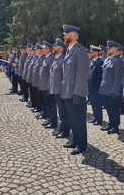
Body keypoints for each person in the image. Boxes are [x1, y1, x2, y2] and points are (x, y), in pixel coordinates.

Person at [61, 24, 89, 155]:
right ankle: (75, 139)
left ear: (72, 35)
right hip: (68, 92)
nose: (64, 36)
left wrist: (78, 93)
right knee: (72, 119)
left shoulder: (80, 50)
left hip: (76, 93)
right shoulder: (69, 50)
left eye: (65, 33)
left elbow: (82, 74)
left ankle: (82, 144)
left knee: (79, 120)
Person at [99, 40, 124, 134]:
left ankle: (115, 125)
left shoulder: (118, 61)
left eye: (109, 48)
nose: (107, 49)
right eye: (107, 48)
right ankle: (110, 123)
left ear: (115, 49)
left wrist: (114, 90)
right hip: (105, 89)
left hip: (112, 90)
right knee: (108, 108)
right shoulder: (107, 59)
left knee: (114, 109)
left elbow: (118, 78)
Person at [38, 41, 56, 128]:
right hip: (44, 86)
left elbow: (51, 74)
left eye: (43, 48)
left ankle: (53, 121)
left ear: (48, 49)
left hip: (48, 86)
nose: (42, 50)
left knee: (51, 104)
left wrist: (49, 86)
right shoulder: (46, 58)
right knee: (48, 104)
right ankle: (49, 119)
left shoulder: (51, 59)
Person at [88, 45, 104, 126]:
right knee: (93, 103)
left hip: (96, 87)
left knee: (97, 104)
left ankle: (99, 119)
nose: (91, 53)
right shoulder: (91, 61)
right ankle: (95, 116)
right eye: (91, 51)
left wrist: (98, 88)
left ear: (97, 52)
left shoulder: (100, 62)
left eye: (93, 51)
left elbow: (100, 76)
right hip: (90, 86)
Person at [31, 44, 45, 114]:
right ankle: (39, 108)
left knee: (42, 99)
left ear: (40, 50)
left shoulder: (42, 59)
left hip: (41, 83)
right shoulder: (38, 59)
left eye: (36, 49)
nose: (35, 51)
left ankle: (42, 111)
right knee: (37, 96)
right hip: (37, 81)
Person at [117, 45, 124, 115]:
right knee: (118, 96)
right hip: (117, 81)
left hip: (121, 81)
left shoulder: (123, 60)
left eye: (118, 51)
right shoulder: (118, 59)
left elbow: (123, 72)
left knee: (121, 96)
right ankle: (119, 108)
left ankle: (122, 109)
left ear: (121, 52)